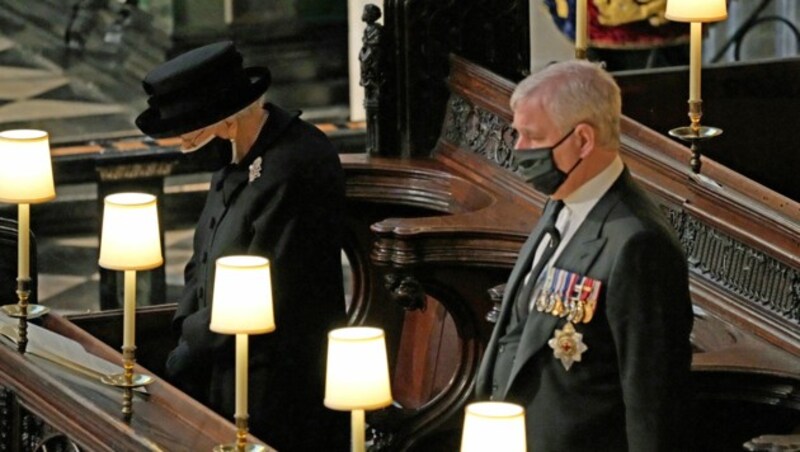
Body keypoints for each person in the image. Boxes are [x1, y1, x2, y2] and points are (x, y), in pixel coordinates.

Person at [135, 40, 348, 450]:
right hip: (217, 358)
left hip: (274, 384)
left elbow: (274, 287)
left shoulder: (297, 164)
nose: (184, 147)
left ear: (227, 121)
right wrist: (183, 333)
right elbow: (201, 258)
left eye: (189, 136)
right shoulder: (237, 153)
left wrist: (187, 351)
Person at [475, 60, 694, 451]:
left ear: (583, 140)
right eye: (517, 134)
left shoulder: (638, 243)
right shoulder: (562, 203)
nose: (518, 149)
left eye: (532, 136)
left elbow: (651, 403)